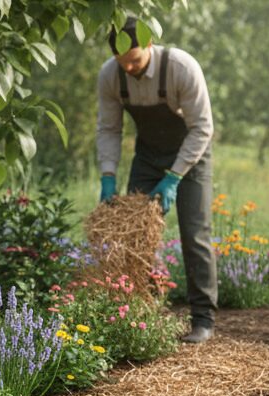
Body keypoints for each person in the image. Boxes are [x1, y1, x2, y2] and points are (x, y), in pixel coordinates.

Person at [96, 17, 216, 344]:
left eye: (135, 60)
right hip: (148, 156)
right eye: (124, 63)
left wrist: (174, 176)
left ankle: (202, 319)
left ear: (150, 45)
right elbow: (109, 129)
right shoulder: (110, 74)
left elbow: (202, 128)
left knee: (195, 233)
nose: (130, 69)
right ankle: (141, 313)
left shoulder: (180, 67)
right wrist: (108, 177)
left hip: (191, 154)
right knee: (136, 237)